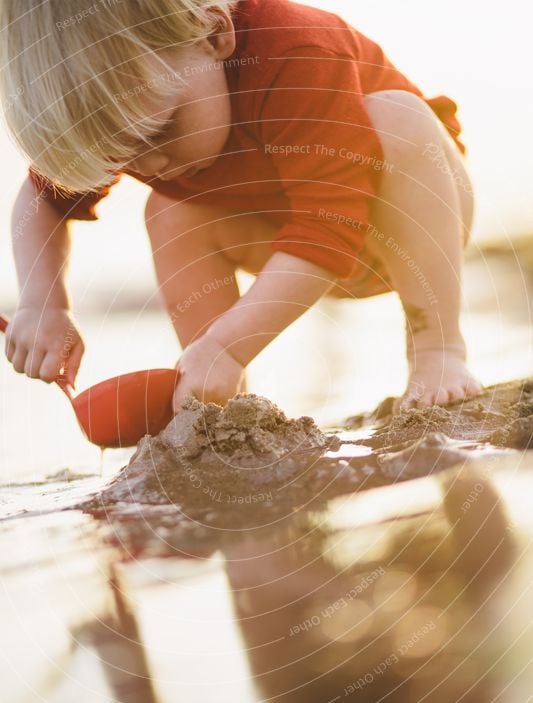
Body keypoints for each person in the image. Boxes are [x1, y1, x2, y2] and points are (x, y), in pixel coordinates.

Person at [0, 0, 481, 411]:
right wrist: (42, 303)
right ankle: (217, 399)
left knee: (400, 119)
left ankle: (437, 347)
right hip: (290, 249)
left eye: (164, 128)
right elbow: (44, 198)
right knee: (170, 210)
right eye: (120, 153)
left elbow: (328, 221)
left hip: (405, 229)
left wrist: (231, 345)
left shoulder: (295, 50)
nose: (153, 163)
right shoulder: (126, 107)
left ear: (213, 35)